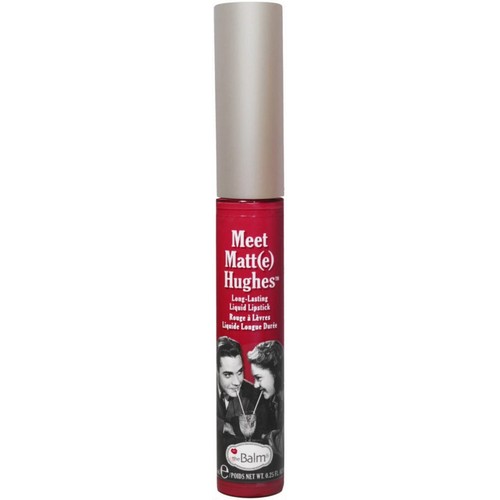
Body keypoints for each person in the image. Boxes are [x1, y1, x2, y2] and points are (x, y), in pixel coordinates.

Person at [217, 336, 270, 440]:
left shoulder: (255, 395)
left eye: (239, 372)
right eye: (228, 375)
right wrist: (220, 425)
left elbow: (264, 436)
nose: (237, 382)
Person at [248, 340, 284, 457]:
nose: (255, 385)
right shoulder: (275, 401)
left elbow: (282, 443)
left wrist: (266, 437)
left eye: (258, 378)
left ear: (276, 373)